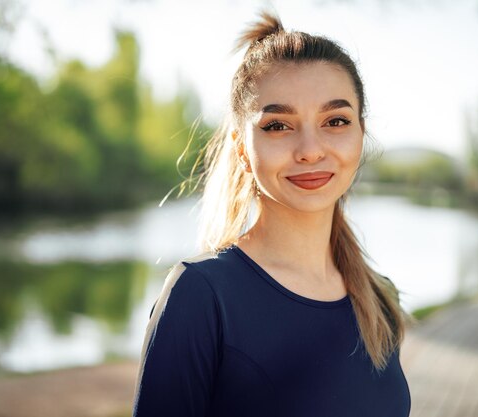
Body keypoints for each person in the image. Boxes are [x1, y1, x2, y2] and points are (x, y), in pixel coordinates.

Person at [132, 10, 413, 417]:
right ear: (242, 148)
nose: (311, 150)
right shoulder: (202, 298)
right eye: (278, 126)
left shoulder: (379, 298)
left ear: (360, 134)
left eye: (335, 120)